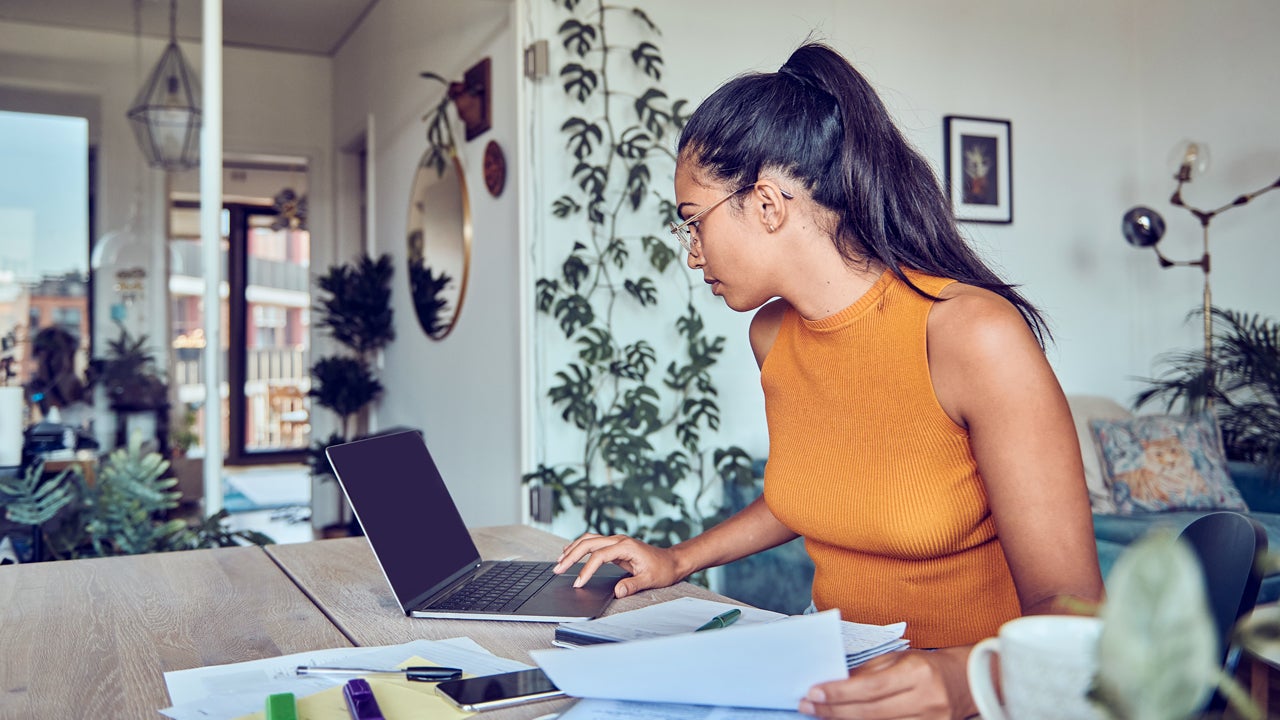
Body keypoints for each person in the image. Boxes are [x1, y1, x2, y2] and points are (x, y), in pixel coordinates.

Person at [552, 41, 1104, 719]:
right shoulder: (773, 335)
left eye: (693, 221)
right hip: (833, 686)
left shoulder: (971, 335)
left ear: (765, 203)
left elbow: (1075, 612)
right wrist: (676, 560)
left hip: (982, 700)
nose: (691, 255)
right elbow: (810, 493)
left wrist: (964, 679)